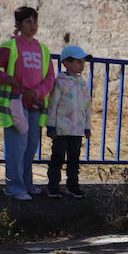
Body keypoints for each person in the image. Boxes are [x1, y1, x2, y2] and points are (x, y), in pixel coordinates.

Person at [0, 6, 54, 201]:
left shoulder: (43, 49)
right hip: (16, 104)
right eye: (28, 22)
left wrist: (36, 93)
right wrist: (7, 79)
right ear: (19, 25)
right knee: (17, 146)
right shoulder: (10, 46)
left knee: (31, 145)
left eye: (35, 21)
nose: (33, 26)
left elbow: (49, 78)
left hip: (35, 104)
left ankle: (27, 183)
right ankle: (14, 187)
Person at [45, 45, 91, 198]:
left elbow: (87, 107)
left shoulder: (82, 84)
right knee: (57, 158)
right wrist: (51, 126)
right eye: (78, 62)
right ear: (66, 63)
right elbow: (53, 105)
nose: (82, 65)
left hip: (77, 130)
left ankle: (73, 186)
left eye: (82, 62)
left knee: (74, 160)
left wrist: (87, 127)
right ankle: (53, 186)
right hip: (61, 130)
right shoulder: (60, 82)